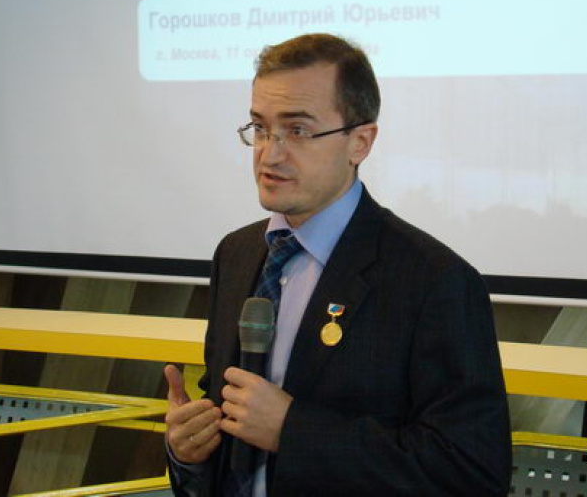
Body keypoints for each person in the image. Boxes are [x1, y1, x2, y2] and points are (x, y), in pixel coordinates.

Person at [164, 33, 511, 496]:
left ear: (360, 142)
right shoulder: (237, 254)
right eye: (260, 128)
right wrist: (189, 453)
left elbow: (471, 471)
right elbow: (230, 418)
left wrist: (293, 432)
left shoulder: (434, 280)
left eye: (298, 130)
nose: (270, 153)